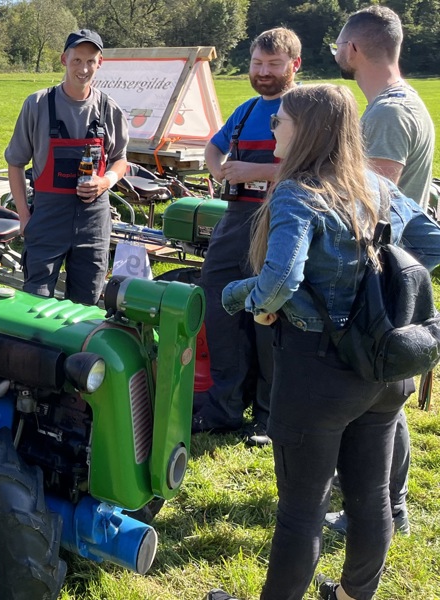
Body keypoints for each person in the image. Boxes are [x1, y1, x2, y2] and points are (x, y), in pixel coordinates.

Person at [207, 84, 440, 600]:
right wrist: (376, 294)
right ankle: (356, 594)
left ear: (306, 131)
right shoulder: (376, 189)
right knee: (372, 495)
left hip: (319, 374)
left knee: (300, 511)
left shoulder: (297, 193)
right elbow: (431, 244)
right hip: (385, 367)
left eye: (280, 121)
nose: (272, 128)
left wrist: (234, 296)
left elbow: (277, 283)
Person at [326, 4, 436, 538]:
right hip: (392, 270)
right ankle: (391, 505)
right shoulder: (407, 102)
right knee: (387, 393)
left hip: (378, 274)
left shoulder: (387, 115)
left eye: (338, 47)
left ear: (353, 50)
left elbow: (372, 201)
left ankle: (381, 508)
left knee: (377, 398)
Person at [194, 28, 302, 447]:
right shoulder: (246, 109)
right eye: (258, 64)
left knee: (268, 316)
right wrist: (219, 166)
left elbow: (320, 168)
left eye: (273, 65)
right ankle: (222, 407)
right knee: (219, 306)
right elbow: (214, 146)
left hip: (282, 221)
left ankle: (269, 417)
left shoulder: (305, 109)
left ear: (294, 65)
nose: (263, 72)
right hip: (237, 220)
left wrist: (256, 172)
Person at [4, 29, 128, 306]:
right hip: (48, 218)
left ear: (100, 63)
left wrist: (106, 181)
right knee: (35, 302)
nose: (83, 69)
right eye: (76, 60)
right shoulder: (37, 104)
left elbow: (121, 160)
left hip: (93, 221)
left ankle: (78, 351)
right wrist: (24, 216)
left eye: (90, 61)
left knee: (86, 303)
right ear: (64, 59)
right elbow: (15, 162)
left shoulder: (109, 109)